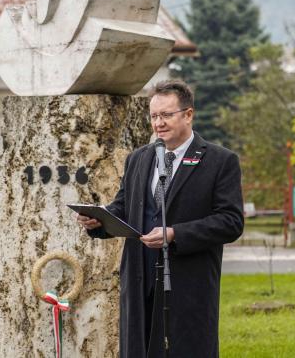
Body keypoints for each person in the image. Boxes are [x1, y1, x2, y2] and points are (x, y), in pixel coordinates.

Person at [77, 80, 244, 358]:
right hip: (139, 280)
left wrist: (175, 234)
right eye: (154, 116)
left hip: (187, 283)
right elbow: (123, 208)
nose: (158, 123)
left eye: (166, 115)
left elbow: (231, 222)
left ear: (188, 114)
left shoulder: (220, 161)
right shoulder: (138, 159)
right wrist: (99, 221)